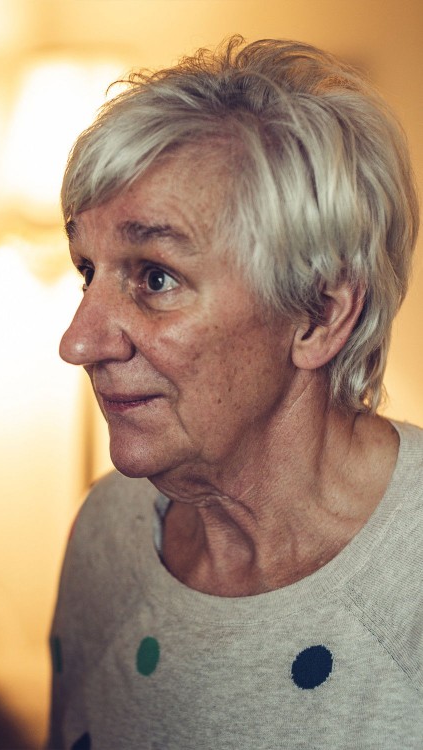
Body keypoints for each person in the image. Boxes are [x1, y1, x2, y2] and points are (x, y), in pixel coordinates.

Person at [47, 36, 422, 750]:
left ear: (318, 315)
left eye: (155, 277)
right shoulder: (108, 532)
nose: (79, 342)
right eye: (86, 270)